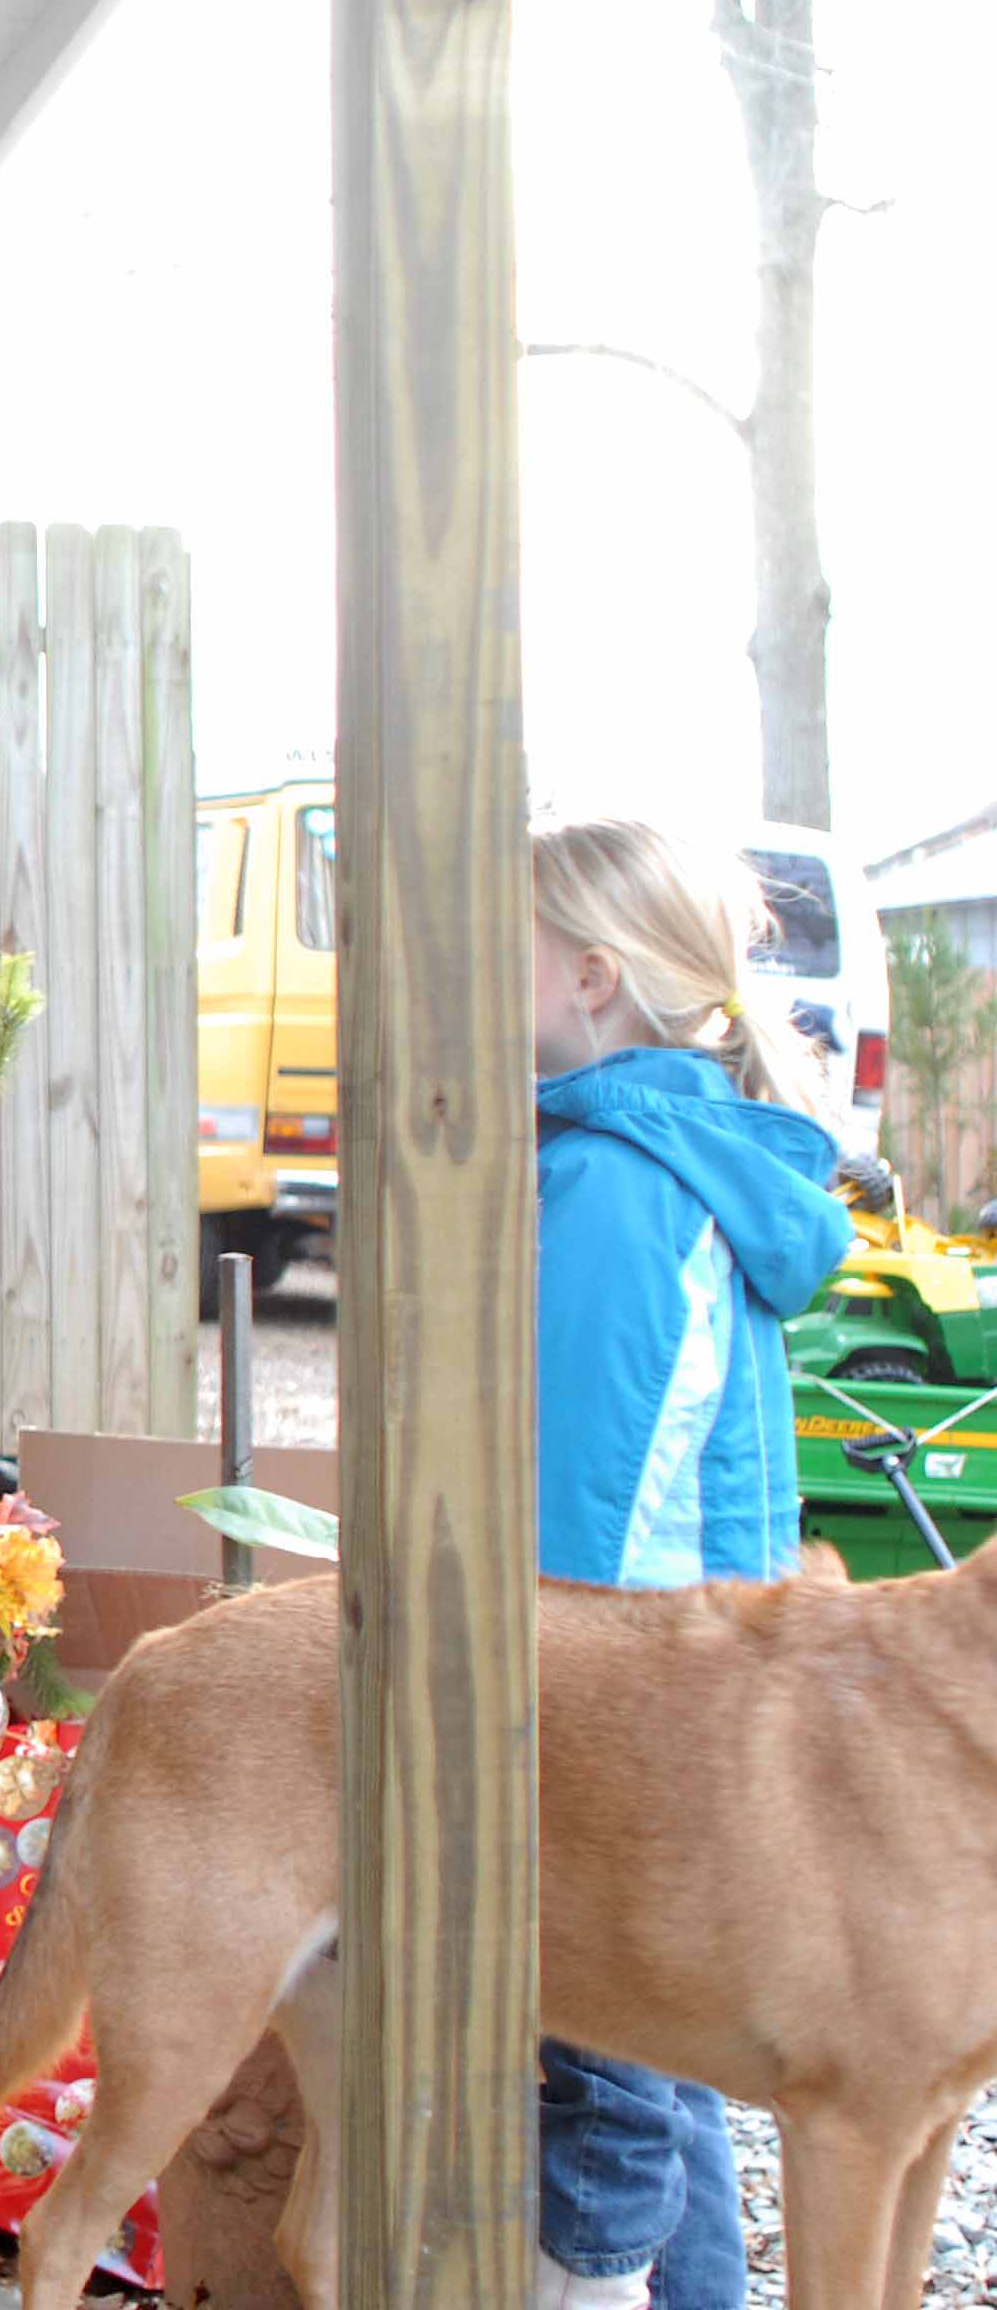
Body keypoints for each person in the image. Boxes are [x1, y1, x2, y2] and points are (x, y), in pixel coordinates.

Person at [528, 813, 853, 2310]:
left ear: (591, 977)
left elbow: (583, 1491)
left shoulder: (616, 1181)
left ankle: (590, 2285)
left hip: (617, 1695)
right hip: (693, 1679)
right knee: (662, 2055)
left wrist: (523, 1694)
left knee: (598, 2063)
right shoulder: (678, 1156)